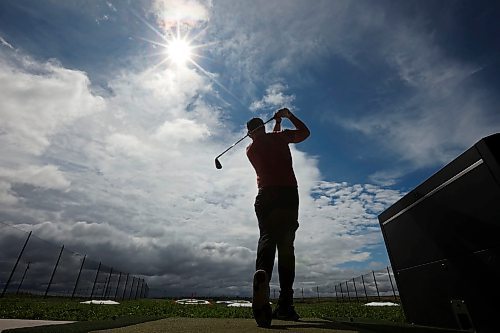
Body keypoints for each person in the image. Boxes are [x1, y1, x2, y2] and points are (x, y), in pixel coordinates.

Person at [246, 108, 310, 327]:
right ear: (263, 127)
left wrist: (275, 125)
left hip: (265, 196)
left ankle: (262, 275)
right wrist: (287, 116)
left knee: (267, 238)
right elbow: (304, 133)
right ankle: (285, 304)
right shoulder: (280, 138)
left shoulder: (250, 149)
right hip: (288, 195)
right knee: (286, 247)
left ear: (249, 134)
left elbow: (267, 140)